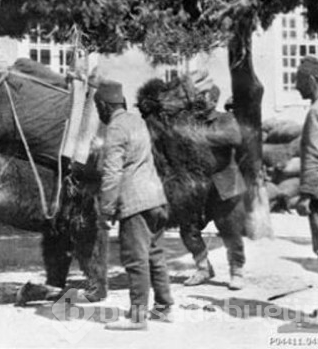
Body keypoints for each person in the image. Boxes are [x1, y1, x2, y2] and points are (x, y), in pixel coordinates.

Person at [95, 79, 173, 330]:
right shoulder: (137, 121)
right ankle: (164, 308)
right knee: (155, 256)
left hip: (135, 201)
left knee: (135, 259)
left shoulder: (116, 128)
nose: (99, 113)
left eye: (99, 108)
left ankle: (138, 318)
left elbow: (112, 172)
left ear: (105, 107)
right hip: (156, 197)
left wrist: (106, 209)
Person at [181, 85, 248, 290]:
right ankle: (203, 268)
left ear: (212, 100)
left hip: (225, 185)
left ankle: (236, 271)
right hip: (199, 186)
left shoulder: (225, 119)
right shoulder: (191, 121)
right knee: (188, 227)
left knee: (230, 230)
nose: (197, 101)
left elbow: (233, 137)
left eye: (202, 97)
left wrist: (199, 137)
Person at [295, 56, 318, 274]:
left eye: (300, 80)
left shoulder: (317, 111)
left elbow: (315, 156)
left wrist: (306, 194)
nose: (297, 86)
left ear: (312, 82)